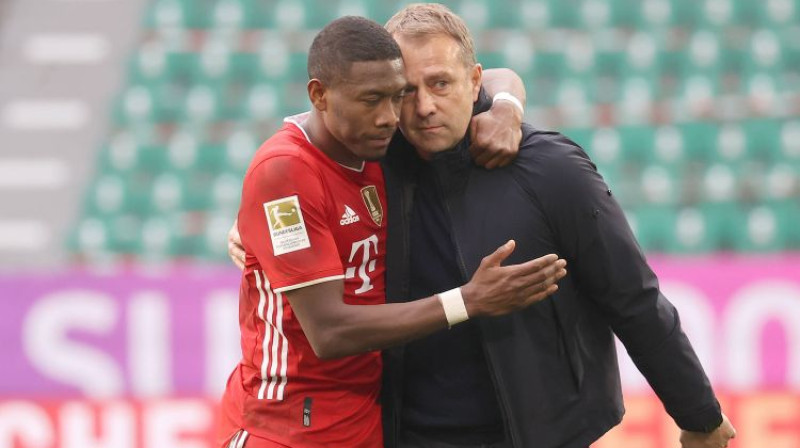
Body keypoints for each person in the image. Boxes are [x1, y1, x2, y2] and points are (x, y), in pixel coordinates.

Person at [227, 4, 738, 448]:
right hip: (391, 433)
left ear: (474, 82)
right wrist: (254, 222)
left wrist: (698, 414)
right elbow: (309, 149)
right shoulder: (385, 154)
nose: (422, 106)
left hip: (546, 436)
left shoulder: (549, 169)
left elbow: (633, 299)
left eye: (441, 84)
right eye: (407, 91)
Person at [218, 16, 567, 448]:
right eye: (370, 100)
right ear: (319, 95)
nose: (388, 117)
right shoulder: (285, 172)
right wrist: (468, 300)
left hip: (365, 421)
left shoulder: (375, 146)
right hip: (286, 423)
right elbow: (329, 333)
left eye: (395, 97)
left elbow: (494, 75)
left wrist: (507, 107)